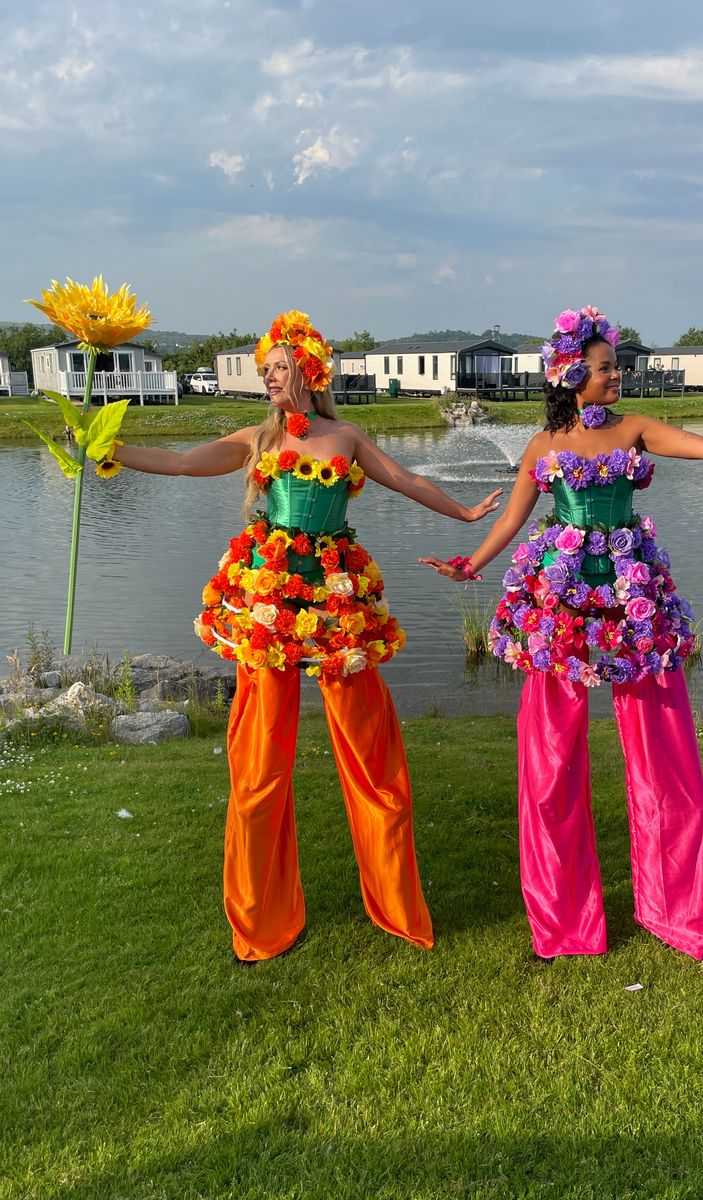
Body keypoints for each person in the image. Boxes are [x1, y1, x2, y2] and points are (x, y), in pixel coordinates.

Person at [421, 306, 703, 965]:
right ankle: (563, 928)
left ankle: (680, 919)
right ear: (573, 376)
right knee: (549, 770)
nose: (618, 376)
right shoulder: (542, 448)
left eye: (617, 367)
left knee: (668, 766)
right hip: (561, 608)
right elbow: (515, 519)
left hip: (637, 605)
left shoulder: (633, 429)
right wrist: (471, 564)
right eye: (607, 368)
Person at [106, 309, 501, 962]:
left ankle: (396, 906)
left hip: (339, 602)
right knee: (259, 765)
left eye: (279, 368)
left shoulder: (346, 435)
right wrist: (112, 452)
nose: (268, 377)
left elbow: (403, 479)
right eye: (264, 369)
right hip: (268, 603)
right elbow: (179, 463)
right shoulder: (259, 438)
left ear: (309, 372)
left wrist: (463, 511)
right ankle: (262, 923)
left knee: (374, 760)